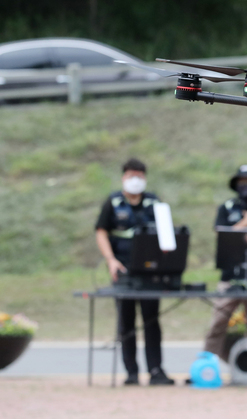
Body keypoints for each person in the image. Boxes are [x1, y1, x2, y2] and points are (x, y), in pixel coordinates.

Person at [94, 158, 175, 386]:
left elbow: (167, 236)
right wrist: (111, 260)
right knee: (126, 322)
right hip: (123, 271)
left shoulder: (154, 202)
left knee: (151, 321)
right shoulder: (113, 202)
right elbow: (101, 231)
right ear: (123, 177)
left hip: (150, 273)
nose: (135, 180)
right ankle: (131, 371)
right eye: (131, 175)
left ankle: (156, 370)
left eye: (139, 175)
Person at [203, 164, 247, 355]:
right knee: (218, 322)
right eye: (243, 182)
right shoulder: (226, 209)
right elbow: (223, 238)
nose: (246, 186)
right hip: (230, 276)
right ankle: (207, 365)